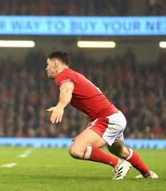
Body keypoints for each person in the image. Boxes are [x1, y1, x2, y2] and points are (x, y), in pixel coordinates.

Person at [45, 51, 158, 180]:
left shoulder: (63, 76)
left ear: (55, 64)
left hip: (107, 119)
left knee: (76, 150)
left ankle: (118, 164)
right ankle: (148, 175)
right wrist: (86, 132)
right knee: (119, 151)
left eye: (47, 64)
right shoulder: (75, 75)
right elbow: (91, 104)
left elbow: (66, 90)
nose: (46, 68)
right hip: (114, 117)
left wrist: (60, 106)